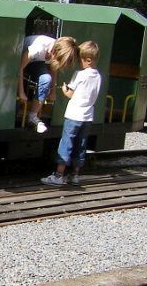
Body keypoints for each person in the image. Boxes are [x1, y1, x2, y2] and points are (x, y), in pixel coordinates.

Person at [41, 41, 101, 187]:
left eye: (80, 60)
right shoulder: (98, 76)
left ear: (88, 60)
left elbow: (70, 94)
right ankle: (75, 175)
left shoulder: (79, 75)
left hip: (74, 115)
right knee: (81, 145)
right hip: (88, 117)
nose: (79, 63)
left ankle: (58, 175)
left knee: (66, 144)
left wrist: (64, 89)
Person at [18, 35, 78, 133]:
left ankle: (33, 116)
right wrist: (21, 92)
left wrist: (53, 92)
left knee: (46, 79)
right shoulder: (38, 47)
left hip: (37, 61)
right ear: (54, 52)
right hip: (22, 57)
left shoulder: (56, 51)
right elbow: (20, 68)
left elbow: (53, 69)